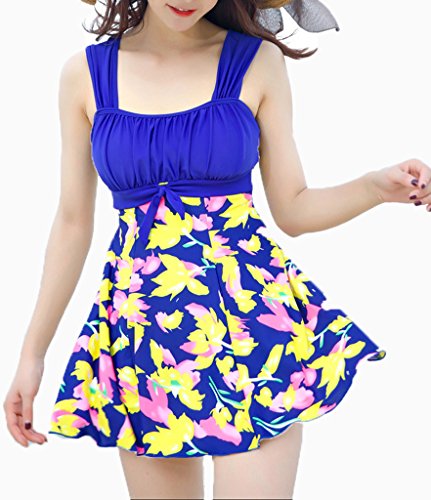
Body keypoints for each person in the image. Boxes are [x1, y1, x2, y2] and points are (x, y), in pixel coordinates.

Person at [3, 1, 430, 499]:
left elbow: (293, 208)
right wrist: (32, 354)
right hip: (146, 346)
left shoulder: (257, 62)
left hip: (255, 339)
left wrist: (374, 188)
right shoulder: (84, 75)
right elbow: (73, 224)